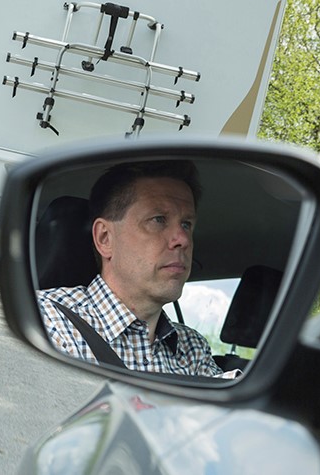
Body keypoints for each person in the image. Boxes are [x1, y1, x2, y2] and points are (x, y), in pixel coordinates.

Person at [38, 160, 230, 377]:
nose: (183, 239)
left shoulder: (193, 349)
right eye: (159, 220)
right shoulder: (49, 321)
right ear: (105, 238)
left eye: (186, 224)